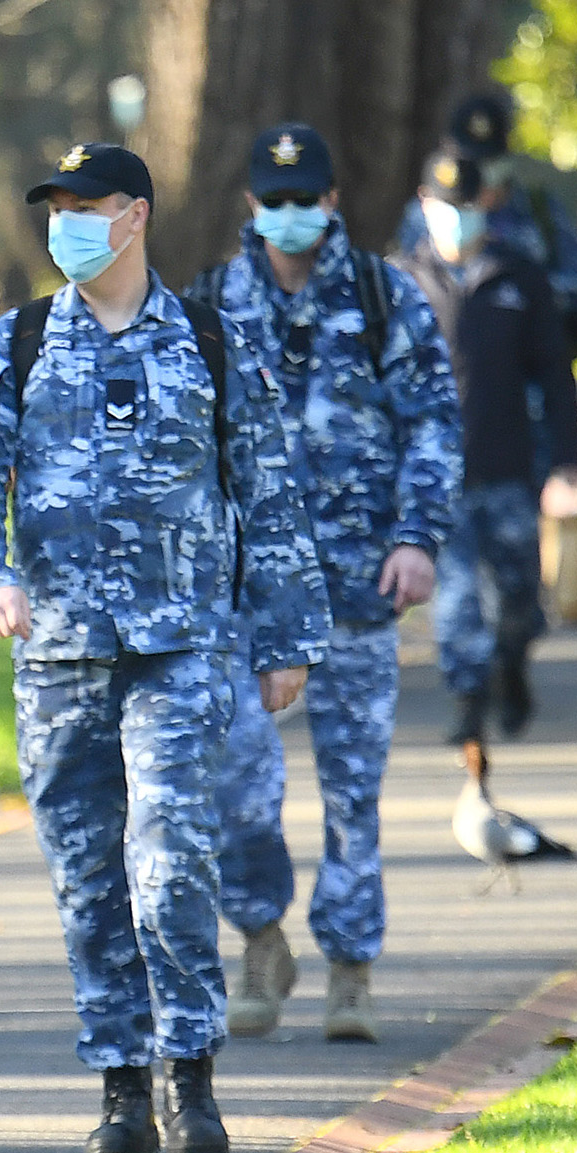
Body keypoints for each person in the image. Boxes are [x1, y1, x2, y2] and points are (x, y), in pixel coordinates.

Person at [0, 142, 328, 1153]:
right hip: (60, 652)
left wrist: (284, 635)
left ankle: (188, 1067)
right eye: (55, 205)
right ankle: (119, 1082)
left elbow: (268, 494)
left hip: (181, 644)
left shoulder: (210, 340)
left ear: (136, 215)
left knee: (169, 860)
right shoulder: (17, 342)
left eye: (87, 204)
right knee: (84, 871)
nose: (66, 220)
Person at [191, 124, 460, 1047]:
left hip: (355, 586)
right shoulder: (210, 306)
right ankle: (261, 936)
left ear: (334, 201)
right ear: (252, 205)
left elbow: (433, 424)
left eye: (309, 196)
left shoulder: (387, 298)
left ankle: (352, 968)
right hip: (242, 596)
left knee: (353, 788)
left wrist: (417, 539)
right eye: (276, 198)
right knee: (236, 781)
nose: (292, 213)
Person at [395, 152, 577, 747]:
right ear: (425, 207)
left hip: (510, 467)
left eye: (465, 208)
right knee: (454, 602)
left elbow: (555, 373)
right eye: (443, 208)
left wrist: (567, 461)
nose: (454, 219)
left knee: (520, 594)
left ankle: (511, 667)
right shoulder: (400, 283)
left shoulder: (519, 277)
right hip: (437, 474)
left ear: (483, 208)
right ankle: (469, 699)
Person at [394, 94, 577, 354]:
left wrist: (519, 296)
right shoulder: (427, 214)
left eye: (491, 163)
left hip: (526, 366)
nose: (482, 177)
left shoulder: (538, 210)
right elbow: (405, 290)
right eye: (470, 164)